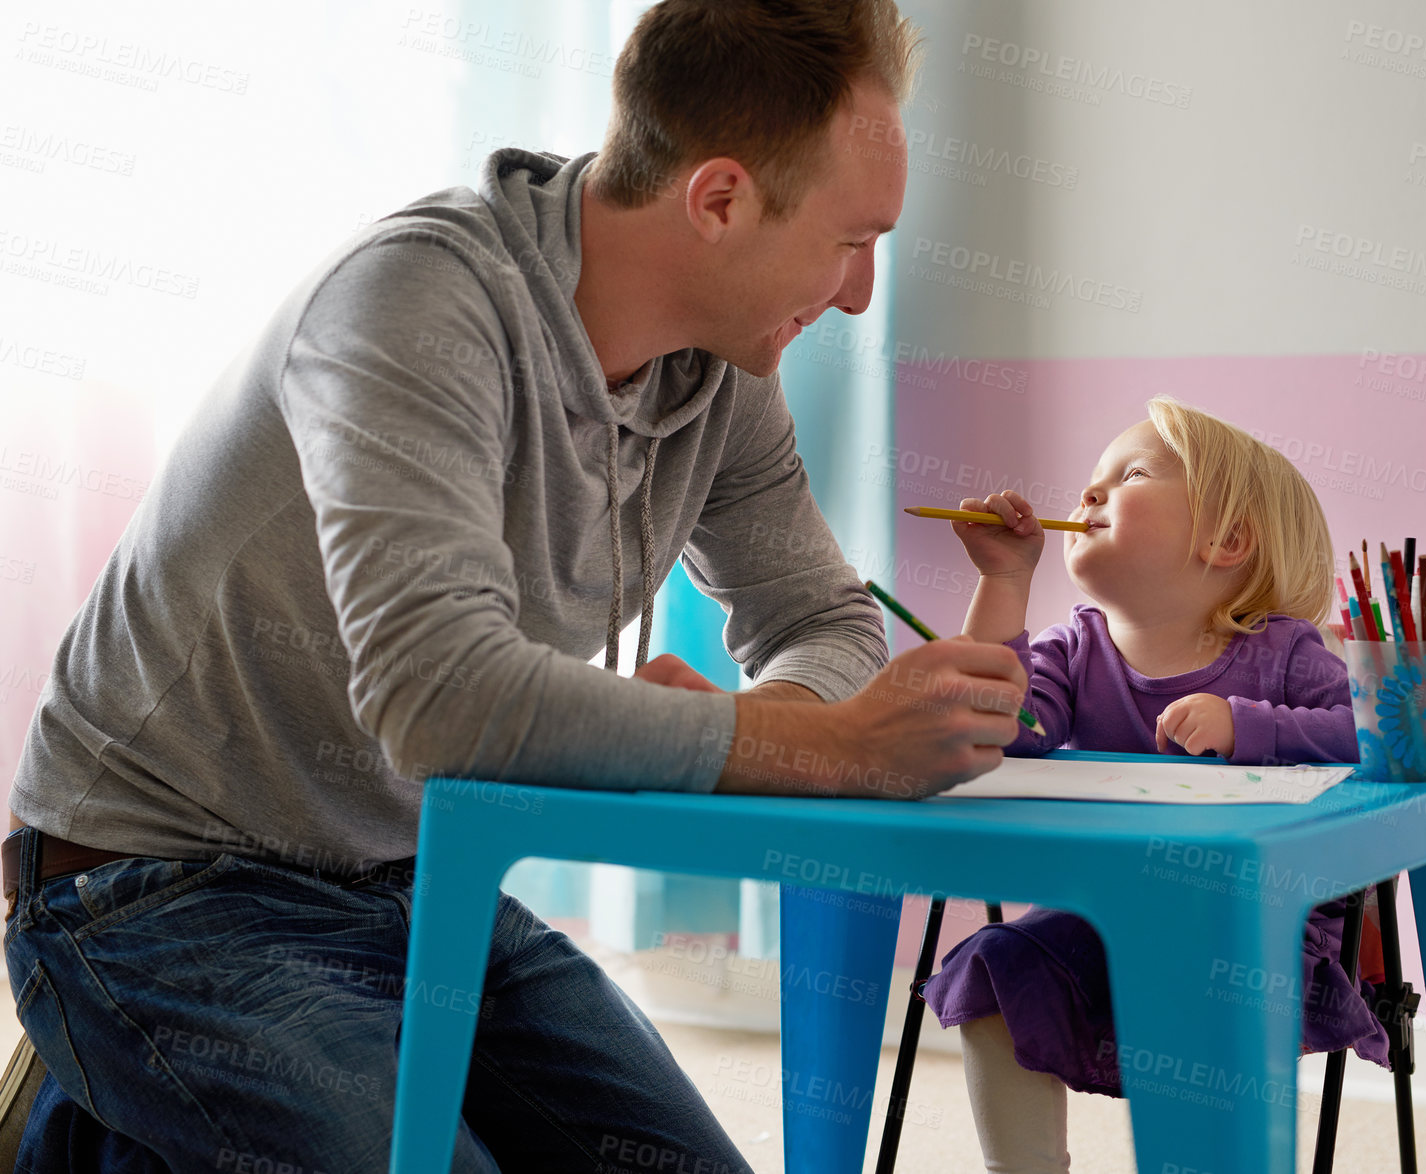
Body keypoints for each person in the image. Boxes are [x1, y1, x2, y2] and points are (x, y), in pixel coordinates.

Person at [2, 2, 1032, 1170]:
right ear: (720, 199)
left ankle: (130, 1129)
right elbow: (440, 699)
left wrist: (775, 722)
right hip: (155, 885)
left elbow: (823, 618)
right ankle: (105, 1104)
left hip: (418, 874)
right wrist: (828, 746)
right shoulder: (414, 303)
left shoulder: (726, 372)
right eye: (851, 240)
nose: (858, 292)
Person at [920, 396, 1388, 1173]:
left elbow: (1372, 735)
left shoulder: (1286, 654)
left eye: (1129, 475)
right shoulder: (1077, 646)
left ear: (1228, 539)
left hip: (1254, 934)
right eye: (1091, 480)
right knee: (995, 969)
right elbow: (999, 726)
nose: (1089, 495)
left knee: (1214, 1011)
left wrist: (1250, 728)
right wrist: (1005, 580)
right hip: (1097, 925)